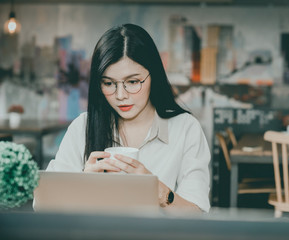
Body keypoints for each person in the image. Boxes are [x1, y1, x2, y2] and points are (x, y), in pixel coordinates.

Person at [46, 24, 211, 212]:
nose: (120, 95)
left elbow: (197, 215)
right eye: (109, 83)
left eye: (132, 82)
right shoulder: (82, 127)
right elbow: (44, 205)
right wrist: (83, 184)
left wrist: (157, 191)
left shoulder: (186, 128)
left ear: (153, 76)